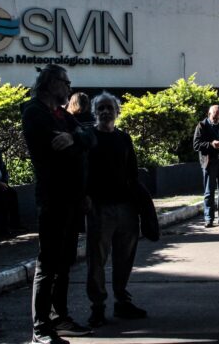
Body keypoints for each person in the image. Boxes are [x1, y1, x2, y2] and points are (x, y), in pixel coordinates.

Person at [22, 65, 95, 344]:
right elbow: (54, 151)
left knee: (64, 264)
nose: (69, 87)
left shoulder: (63, 115)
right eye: (65, 82)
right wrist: (76, 142)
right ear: (51, 83)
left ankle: (59, 317)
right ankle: (40, 328)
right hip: (54, 199)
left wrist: (74, 138)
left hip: (72, 200)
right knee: (48, 264)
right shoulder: (35, 113)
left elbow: (91, 137)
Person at [84, 92, 146, 328]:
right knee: (97, 260)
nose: (105, 111)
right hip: (99, 208)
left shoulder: (124, 138)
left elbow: (133, 171)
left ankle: (122, 301)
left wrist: (138, 203)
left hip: (126, 207)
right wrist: (85, 196)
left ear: (117, 112)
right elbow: (82, 170)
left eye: (109, 107)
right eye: (100, 108)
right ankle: (97, 307)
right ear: (95, 112)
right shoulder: (88, 137)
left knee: (125, 257)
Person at [193, 104, 219, 228]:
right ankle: (208, 218)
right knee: (209, 192)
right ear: (209, 114)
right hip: (209, 162)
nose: (217, 120)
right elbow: (196, 145)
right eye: (214, 117)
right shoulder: (201, 126)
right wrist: (211, 144)